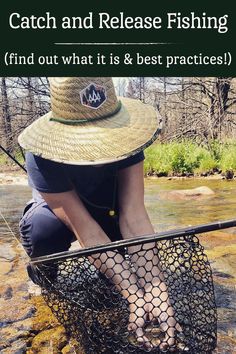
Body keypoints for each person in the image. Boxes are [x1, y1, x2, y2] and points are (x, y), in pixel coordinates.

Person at [18, 77, 179, 350]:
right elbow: (85, 229)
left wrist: (155, 291)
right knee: (41, 229)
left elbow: (134, 216)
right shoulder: (40, 155)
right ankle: (43, 275)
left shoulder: (129, 139)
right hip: (62, 215)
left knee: (116, 278)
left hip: (108, 208)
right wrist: (132, 294)